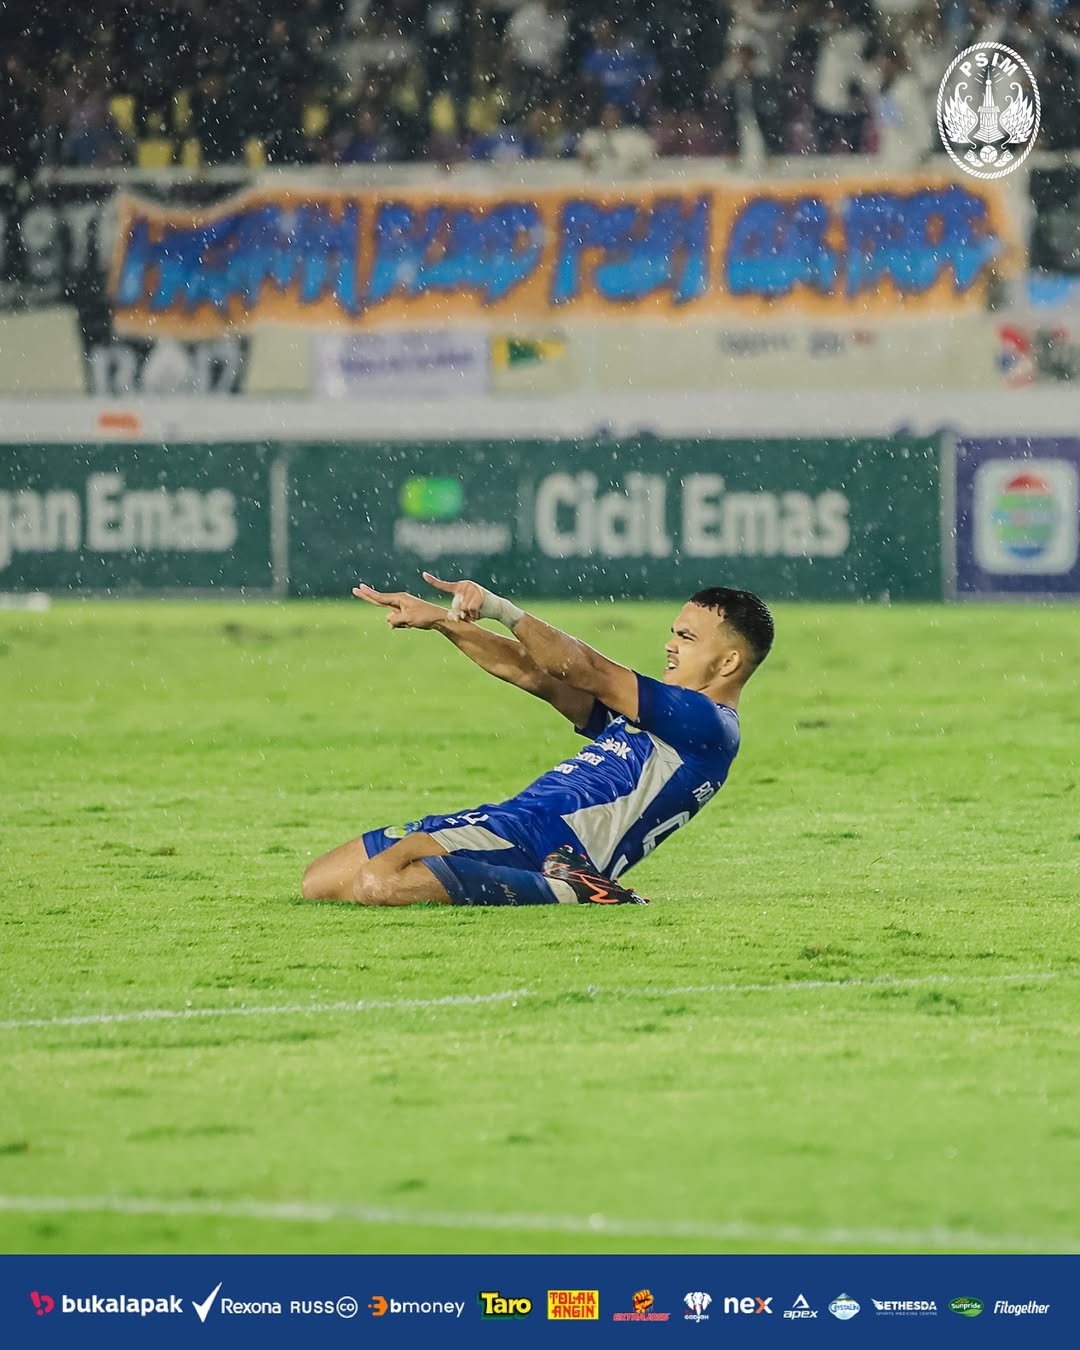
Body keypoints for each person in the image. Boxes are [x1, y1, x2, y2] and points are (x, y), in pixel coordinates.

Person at [301, 575, 774, 908]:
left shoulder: (707, 723)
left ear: (729, 663)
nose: (671, 645)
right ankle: (548, 885)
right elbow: (533, 672)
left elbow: (582, 668)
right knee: (319, 881)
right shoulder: (664, 717)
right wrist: (442, 621)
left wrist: (501, 610)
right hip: (511, 821)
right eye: (673, 633)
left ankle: (577, 891)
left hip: (554, 851)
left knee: (379, 881)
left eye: (687, 638)